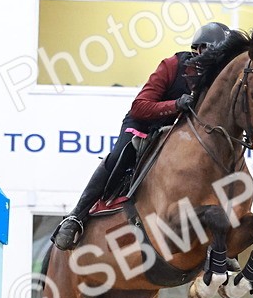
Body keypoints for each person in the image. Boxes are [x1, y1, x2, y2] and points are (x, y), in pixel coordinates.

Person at [51, 21, 233, 251]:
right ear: (200, 49)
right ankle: (76, 216)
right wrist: (175, 104)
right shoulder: (173, 65)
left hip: (179, 136)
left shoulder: (218, 81)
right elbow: (140, 106)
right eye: (217, 54)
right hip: (144, 125)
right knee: (119, 156)